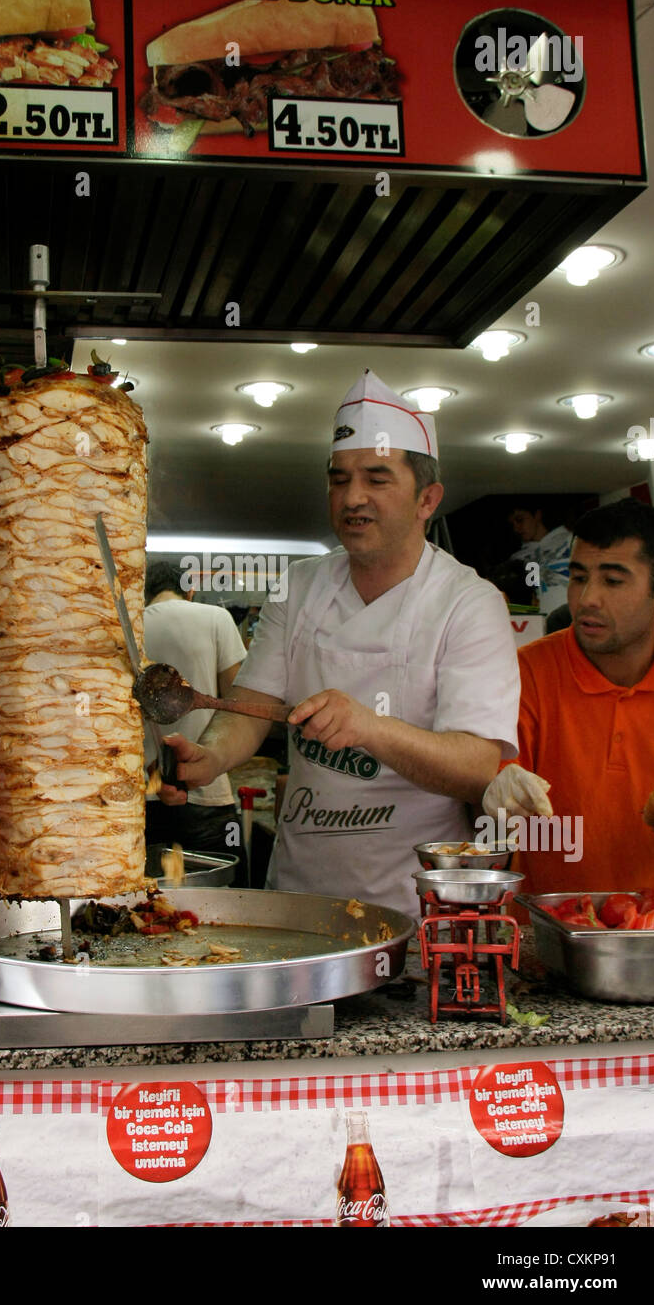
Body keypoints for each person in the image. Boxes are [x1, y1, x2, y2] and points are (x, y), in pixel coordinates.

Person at [159, 372, 521, 918]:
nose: (352, 498)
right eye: (339, 479)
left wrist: (368, 727)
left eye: (377, 479)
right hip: (300, 896)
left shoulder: (469, 603)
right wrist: (211, 757)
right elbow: (253, 707)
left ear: (428, 498)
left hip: (412, 904)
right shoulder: (300, 586)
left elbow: (477, 766)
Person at [483, 498, 654, 894]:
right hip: (545, 931)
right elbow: (497, 782)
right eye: (578, 577)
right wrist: (489, 785)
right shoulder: (527, 671)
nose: (587, 600)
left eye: (613, 581)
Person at [143, 561, 247, 873]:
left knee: (143, 904)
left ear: (147, 594)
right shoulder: (216, 618)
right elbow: (238, 701)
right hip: (206, 796)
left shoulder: (130, 625)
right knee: (220, 899)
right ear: (190, 590)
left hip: (142, 797)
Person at [508, 499, 573, 616]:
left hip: (570, 616)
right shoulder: (518, 558)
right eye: (512, 524)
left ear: (537, 515)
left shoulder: (569, 540)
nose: (516, 528)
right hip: (538, 622)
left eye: (520, 520)